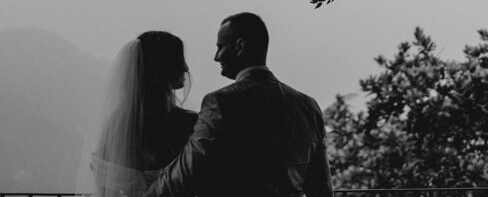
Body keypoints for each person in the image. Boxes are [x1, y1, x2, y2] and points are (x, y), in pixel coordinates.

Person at [143, 12, 333, 197]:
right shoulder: (308, 106)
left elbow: (188, 172)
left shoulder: (221, 102)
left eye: (220, 47)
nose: (216, 56)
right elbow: (321, 188)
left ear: (240, 46)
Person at [93, 31, 197, 197]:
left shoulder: (115, 125)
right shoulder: (189, 124)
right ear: (163, 67)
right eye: (179, 60)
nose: (185, 68)